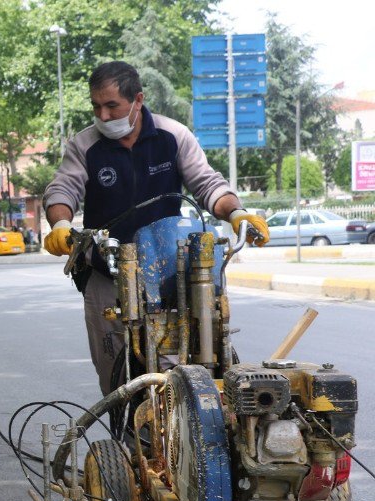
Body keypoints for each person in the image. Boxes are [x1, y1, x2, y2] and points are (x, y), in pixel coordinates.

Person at [42, 61, 270, 396]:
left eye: (111, 106)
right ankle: (125, 436)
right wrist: (60, 223)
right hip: (108, 273)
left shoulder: (173, 135)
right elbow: (62, 190)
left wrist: (237, 214)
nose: (102, 116)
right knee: (116, 379)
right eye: (96, 107)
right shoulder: (84, 145)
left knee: (187, 363)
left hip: (167, 271)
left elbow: (207, 184)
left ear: (138, 99)